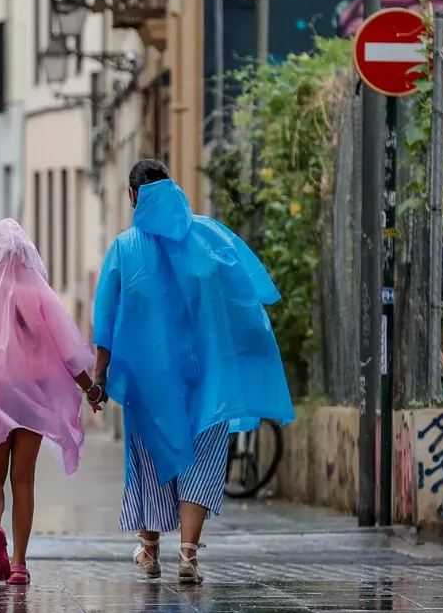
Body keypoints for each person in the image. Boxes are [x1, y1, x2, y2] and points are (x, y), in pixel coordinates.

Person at [90, 159, 295, 584]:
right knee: (201, 461)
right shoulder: (209, 236)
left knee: (149, 462)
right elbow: (242, 301)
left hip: (149, 384)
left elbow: (106, 322)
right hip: (207, 376)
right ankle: (188, 556)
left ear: (133, 197)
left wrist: (98, 376)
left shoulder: (124, 248)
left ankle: (149, 550)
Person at [0, 218, 101, 586]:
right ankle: (18, 563)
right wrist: (89, 390)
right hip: (33, 395)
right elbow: (67, 351)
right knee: (23, 480)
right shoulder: (40, 294)